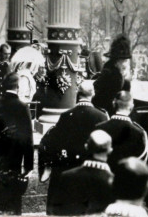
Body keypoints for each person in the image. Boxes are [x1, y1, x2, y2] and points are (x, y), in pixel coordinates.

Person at [41, 80, 109, 215]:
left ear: (78, 93)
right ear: (93, 94)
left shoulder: (65, 116)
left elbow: (56, 142)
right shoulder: (101, 116)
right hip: (90, 171)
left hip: (67, 169)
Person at [0, 72, 34, 214]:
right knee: (13, 200)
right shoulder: (22, 107)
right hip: (14, 158)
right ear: (18, 87)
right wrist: (29, 165)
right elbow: (28, 138)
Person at [52, 130, 114, 215]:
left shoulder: (67, 176)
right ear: (109, 150)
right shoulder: (112, 181)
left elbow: (57, 210)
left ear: (86, 146)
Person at [96, 91, 148, 171]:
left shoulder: (99, 128)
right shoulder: (139, 132)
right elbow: (143, 163)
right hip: (126, 179)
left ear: (114, 104)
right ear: (131, 106)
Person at [92, 34, 132, 116]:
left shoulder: (109, 70)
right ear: (118, 60)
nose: (125, 64)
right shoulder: (111, 74)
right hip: (108, 113)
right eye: (123, 60)